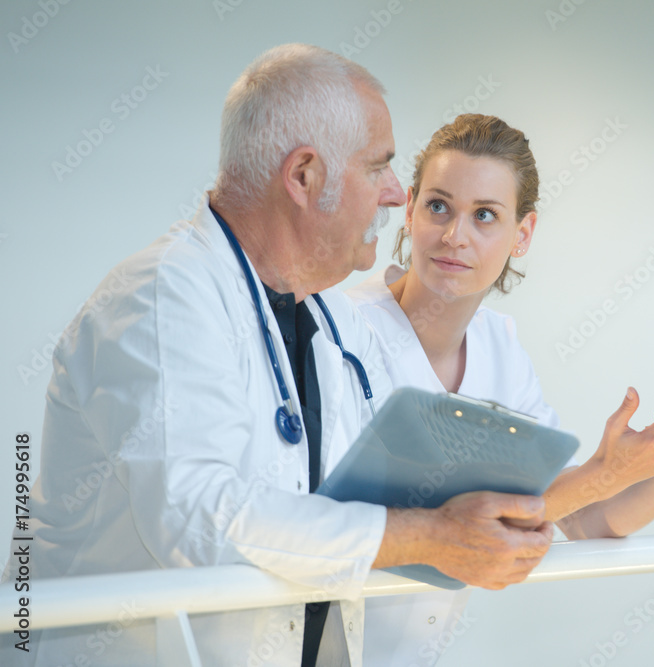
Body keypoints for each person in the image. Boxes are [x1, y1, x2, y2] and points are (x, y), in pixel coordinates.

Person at [0, 47, 607, 667]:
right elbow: (200, 518)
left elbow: (337, 515)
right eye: (379, 169)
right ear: (304, 177)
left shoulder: (325, 318)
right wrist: (432, 536)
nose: (397, 195)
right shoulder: (164, 294)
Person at [346, 114, 654, 666]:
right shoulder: (339, 331)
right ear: (410, 210)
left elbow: (582, 518)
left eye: (485, 215)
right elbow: (475, 521)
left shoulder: (501, 349)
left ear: (523, 234)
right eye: (439, 206)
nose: (455, 235)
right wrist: (605, 472)